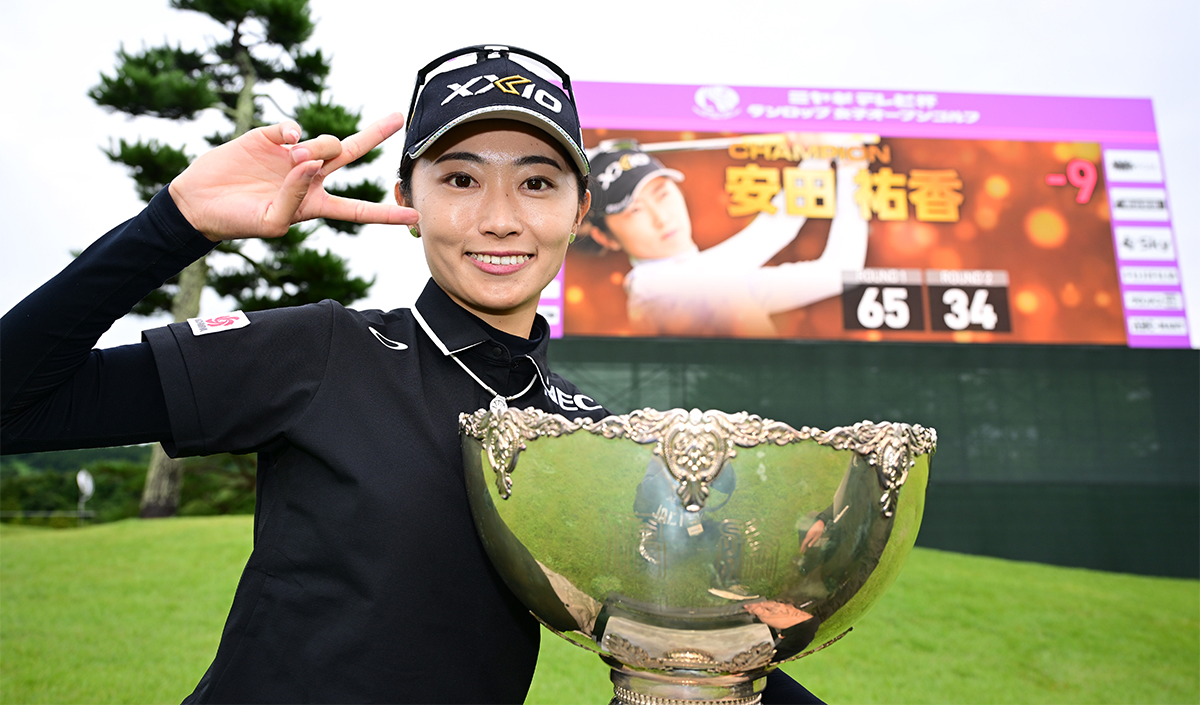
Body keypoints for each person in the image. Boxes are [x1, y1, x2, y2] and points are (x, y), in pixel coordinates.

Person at [1, 45, 821, 703]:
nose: (499, 217)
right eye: (460, 178)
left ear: (579, 212)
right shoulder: (322, 351)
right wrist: (172, 224)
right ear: (406, 199)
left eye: (537, 183)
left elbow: (685, 635)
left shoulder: (591, 441)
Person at [580, 140, 869, 337]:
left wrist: (851, 165)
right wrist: (820, 152)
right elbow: (772, 233)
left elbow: (842, 270)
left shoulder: (724, 285)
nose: (662, 218)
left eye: (663, 194)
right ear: (605, 237)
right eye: (635, 211)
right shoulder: (653, 290)